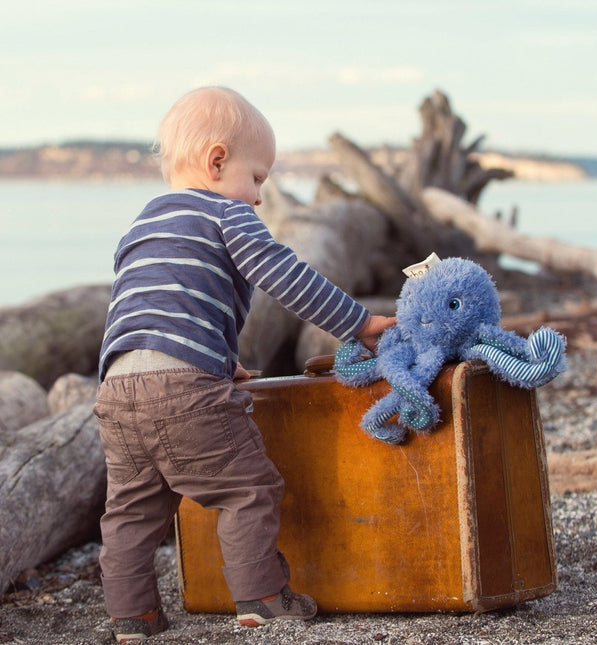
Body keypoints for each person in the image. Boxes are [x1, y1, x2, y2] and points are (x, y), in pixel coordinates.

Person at [93, 86, 396, 643]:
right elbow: (285, 276)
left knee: (131, 512)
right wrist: (360, 323)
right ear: (216, 162)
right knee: (246, 489)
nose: (259, 196)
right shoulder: (226, 211)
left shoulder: (140, 226)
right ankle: (261, 596)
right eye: (257, 178)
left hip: (116, 388)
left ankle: (131, 616)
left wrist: (216, 359)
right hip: (184, 389)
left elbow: (149, 306)